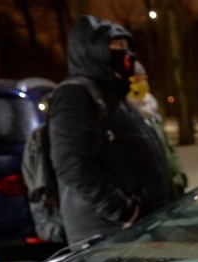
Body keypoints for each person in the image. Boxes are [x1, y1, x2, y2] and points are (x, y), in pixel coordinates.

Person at [49, 15, 173, 244]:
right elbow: (71, 163)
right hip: (106, 235)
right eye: (115, 47)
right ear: (91, 51)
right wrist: (124, 210)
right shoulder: (75, 94)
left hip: (133, 231)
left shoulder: (113, 95)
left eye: (126, 47)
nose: (124, 54)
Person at [127, 61, 188, 198]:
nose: (141, 83)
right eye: (136, 79)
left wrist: (178, 175)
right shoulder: (125, 114)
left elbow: (168, 147)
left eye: (143, 78)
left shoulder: (152, 108)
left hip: (170, 185)